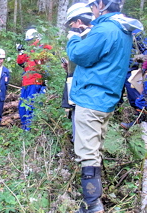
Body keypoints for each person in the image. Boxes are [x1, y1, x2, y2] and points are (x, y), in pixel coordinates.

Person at [66, 0, 143, 212]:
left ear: (102, 4)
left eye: (93, 5)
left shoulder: (105, 29)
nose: (92, 10)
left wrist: (73, 37)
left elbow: (79, 55)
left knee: (87, 153)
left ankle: (92, 205)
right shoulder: (121, 28)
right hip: (106, 100)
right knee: (95, 149)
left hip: (91, 99)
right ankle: (94, 201)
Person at [61, 3, 94, 143]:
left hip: (84, 93)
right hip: (77, 88)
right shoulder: (87, 38)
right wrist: (69, 67)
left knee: (83, 135)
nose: (71, 27)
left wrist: (74, 38)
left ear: (78, 22)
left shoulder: (89, 37)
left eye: (71, 24)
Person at [16, 28, 52, 131]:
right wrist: (20, 51)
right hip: (26, 82)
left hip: (36, 81)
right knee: (22, 106)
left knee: (31, 105)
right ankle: (25, 127)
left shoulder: (42, 47)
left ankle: (29, 129)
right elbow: (20, 62)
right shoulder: (29, 50)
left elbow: (50, 52)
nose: (30, 42)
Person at [120, 30, 147, 129]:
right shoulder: (111, 31)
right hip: (116, 70)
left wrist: (141, 60)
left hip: (132, 70)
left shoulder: (135, 31)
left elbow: (145, 49)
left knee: (136, 98)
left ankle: (139, 124)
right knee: (115, 97)